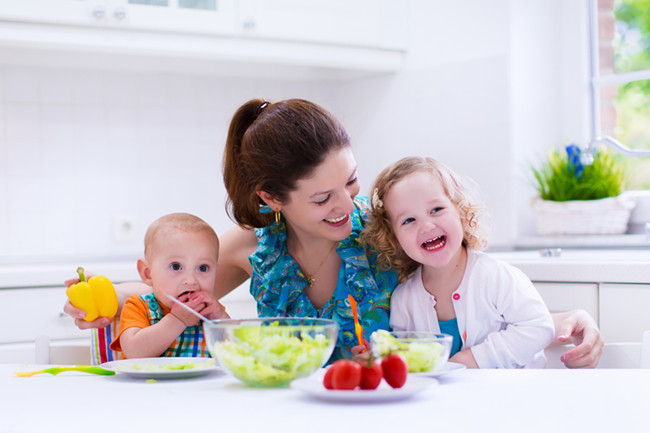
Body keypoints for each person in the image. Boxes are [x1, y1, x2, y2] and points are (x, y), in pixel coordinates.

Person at [64, 98, 603, 367]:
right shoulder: (256, 249)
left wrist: (558, 320)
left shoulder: (389, 230)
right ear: (271, 199)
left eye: (351, 181)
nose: (350, 205)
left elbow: (467, 294)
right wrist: (104, 301)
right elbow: (175, 288)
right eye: (323, 198)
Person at [361, 156, 555, 368]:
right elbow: (408, 359)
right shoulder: (403, 299)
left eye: (436, 210)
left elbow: (539, 326)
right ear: (393, 237)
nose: (426, 226)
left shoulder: (495, 276)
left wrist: (473, 359)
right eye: (408, 220)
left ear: (461, 211)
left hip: (513, 395)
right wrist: (380, 356)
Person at [110, 213, 229, 359]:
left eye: (203, 268)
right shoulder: (138, 307)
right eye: (176, 266)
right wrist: (177, 320)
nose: (191, 280)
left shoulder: (212, 313)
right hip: (150, 382)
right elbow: (134, 352)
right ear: (148, 273)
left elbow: (238, 355)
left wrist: (221, 320)